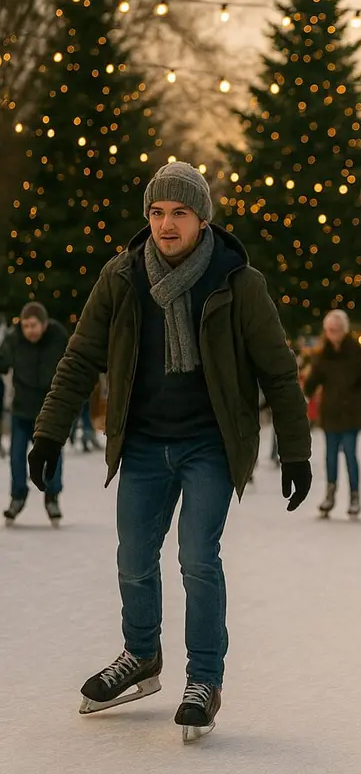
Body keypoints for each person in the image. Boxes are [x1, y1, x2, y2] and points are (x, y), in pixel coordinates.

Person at [28, 162, 313, 741]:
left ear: (202, 219)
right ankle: (142, 655)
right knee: (133, 558)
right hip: (142, 443)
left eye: (179, 212)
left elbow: (279, 373)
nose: (166, 224)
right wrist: (49, 433)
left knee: (197, 558)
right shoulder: (122, 277)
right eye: (157, 213)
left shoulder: (238, 282)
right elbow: (82, 357)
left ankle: (204, 678)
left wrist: (296, 451)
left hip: (209, 443)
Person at [303, 310, 361, 519]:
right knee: (330, 456)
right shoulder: (323, 356)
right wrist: (300, 398)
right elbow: (311, 383)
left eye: (336, 330)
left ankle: (354, 497)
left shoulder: (356, 354)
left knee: (349, 453)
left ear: (344, 330)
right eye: (329, 330)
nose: (333, 334)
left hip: (352, 413)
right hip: (330, 413)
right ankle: (330, 494)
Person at [0, 302, 70, 527]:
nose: (30, 330)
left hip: (49, 413)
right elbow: (2, 363)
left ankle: (52, 497)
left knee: (52, 457)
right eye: (26, 326)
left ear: (44, 324)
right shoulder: (13, 339)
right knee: (17, 456)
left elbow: (73, 364)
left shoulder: (58, 337)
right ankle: (18, 496)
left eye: (34, 325)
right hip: (22, 411)